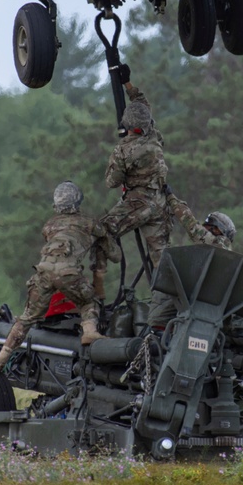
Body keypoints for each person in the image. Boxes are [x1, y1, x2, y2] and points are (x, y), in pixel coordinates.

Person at [0, 181, 120, 374]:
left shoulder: (49, 225)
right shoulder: (89, 222)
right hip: (69, 274)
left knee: (26, 319)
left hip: (42, 273)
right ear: (78, 201)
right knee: (88, 300)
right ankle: (90, 332)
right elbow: (115, 255)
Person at [99, 65, 174, 326]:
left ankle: (106, 270)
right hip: (160, 204)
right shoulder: (154, 135)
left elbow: (111, 181)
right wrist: (127, 84)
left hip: (137, 203)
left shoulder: (124, 150)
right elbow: (142, 105)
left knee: (102, 231)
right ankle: (166, 314)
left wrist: (117, 155)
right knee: (162, 263)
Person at [166, 189, 236, 250]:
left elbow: (191, 224)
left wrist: (171, 198)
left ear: (217, 230)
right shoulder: (219, 248)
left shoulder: (221, 242)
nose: (204, 227)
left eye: (208, 224)